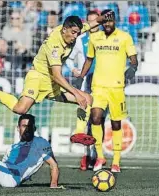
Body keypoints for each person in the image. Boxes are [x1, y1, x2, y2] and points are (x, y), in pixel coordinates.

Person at [0, 14, 113, 146]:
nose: (75, 36)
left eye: (77, 33)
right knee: (21, 109)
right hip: (38, 77)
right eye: (73, 33)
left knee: (87, 99)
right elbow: (57, 75)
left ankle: (78, 133)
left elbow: (89, 24)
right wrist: (76, 93)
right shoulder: (54, 46)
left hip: (52, 82)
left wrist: (103, 18)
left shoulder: (71, 32)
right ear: (64, 30)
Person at [79, 10, 138, 173]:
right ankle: (100, 156)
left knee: (116, 123)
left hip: (117, 87)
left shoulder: (125, 37)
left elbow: (133, 58)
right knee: (95, 117)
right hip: (98, 87)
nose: (107, 24)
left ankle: (116, 161)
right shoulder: (94, 38)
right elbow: (89, 60)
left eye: (110, 21)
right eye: (104, 21)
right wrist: (81, 77)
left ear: (115, 22)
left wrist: (133, 68)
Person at [65, 10, 103, 171]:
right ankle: (87, 155)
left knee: (99, 120)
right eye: (90, 22)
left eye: (96, 21)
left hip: (102, 85)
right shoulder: (80, 40)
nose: (93, 25)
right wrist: (73, 69)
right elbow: (68, 58)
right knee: (87, 120)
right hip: (85, 84)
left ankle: (98, 156)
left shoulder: (105, 39)